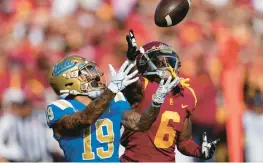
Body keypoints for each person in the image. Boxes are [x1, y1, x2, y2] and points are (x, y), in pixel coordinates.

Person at [46, 55, 181, 162]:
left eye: (92, 69)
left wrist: (157, 101)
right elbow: (84, 119)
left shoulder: (114, 99)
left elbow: (141, 124)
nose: (95, 75)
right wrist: (112, 89)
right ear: (69, 81)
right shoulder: (59, 108)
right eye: (85, 72)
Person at [120, 30, 220, 162]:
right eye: (161, 62)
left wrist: (199, 151)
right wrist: (131, 60)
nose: (167, 66)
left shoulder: (186, 95)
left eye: (169, 61)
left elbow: (184, 142)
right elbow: (130, 79)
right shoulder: (143, 85)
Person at [0, 88, 62, 162]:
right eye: (23, 104)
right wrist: (10, 154)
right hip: (21, 160)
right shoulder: (10, 120)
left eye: (27, 104)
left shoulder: (41, 118)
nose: (26, 107)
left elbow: (51, 139)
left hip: (43, 159)